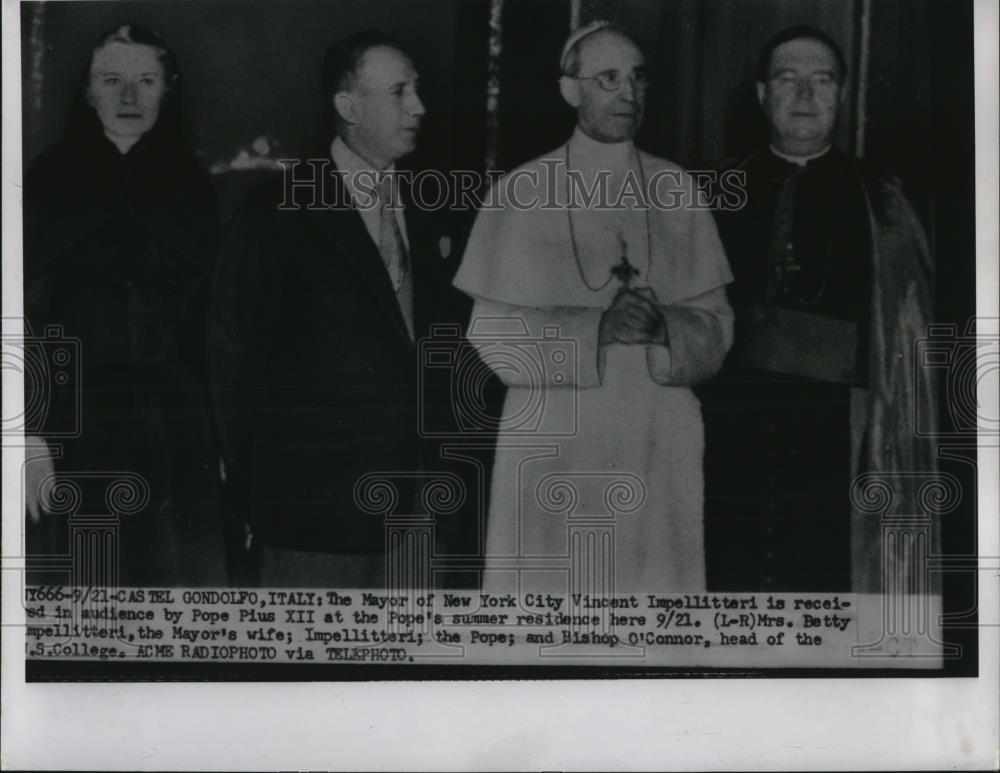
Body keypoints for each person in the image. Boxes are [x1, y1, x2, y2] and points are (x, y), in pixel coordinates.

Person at [453, 21, 733, 594]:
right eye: (608, 78)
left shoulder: (677, 189)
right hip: (557, 438)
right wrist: (596, 328)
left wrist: (667, 325)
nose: (629, 94)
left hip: (658, 436)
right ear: (570, 90)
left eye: (637, 78)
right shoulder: (521, 192)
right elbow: (492, 334)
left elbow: (720, 327)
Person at [210, 30, 468, 587]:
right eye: (399, 91)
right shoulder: (277, 212)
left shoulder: (436, 208)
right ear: (348, 106)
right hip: (314, 523)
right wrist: (261, 495)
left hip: (420, 515)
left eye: (417, 89)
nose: (419, 106)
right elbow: (231, 362)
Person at [701, 26, 935, 592]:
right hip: (728, 420)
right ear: (762, 94)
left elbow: (908, 333)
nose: (805, 95)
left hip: (837, 425)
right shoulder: (712, 191)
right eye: (788, 78)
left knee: (821, 578)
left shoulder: (881, 200)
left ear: (841, 95)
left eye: (821, 80)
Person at [23, 23, 225, 586]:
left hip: (176, 434)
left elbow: (215, 325)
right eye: (112, 80)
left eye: (146, 80)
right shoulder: (48, 182)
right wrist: (28, 434)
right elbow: (22, 316)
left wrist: (225, 440)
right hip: (73, 429)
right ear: (88, 91)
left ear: (169, 88)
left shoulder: (192, 187)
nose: (130, 98)